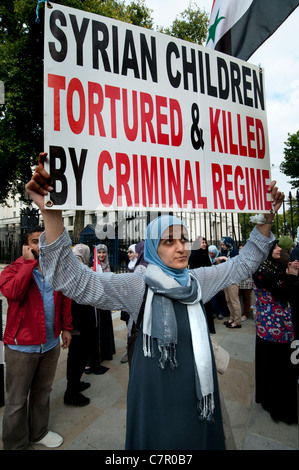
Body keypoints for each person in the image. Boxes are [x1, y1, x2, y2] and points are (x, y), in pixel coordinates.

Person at [25, 154, 283, 450]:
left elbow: (244, 263)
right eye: (168, 241)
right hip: (155, 399)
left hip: (198, 394)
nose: (181, 247)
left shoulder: (199, 280)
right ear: (151, 247)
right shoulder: (138, 285)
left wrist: (266, 218)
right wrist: (51, 212)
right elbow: (76, 281)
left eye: (183, 239)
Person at [0, 226, 72, 450]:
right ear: (26, 246)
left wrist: (66, 328)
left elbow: (65, 299)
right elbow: (13, 293)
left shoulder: (55, 269)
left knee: (42, 392)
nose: (40, 246)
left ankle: (38, 432)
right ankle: (14, 444)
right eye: (34, 241)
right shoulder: (12, 270)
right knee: (17, 400)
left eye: (44, 241)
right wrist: (28, 264)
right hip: (22, 346)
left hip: (49, 344)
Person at [252, 241, 298, 424]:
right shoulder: (263, 269)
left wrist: (288, 272)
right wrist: (292, 277)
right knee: (277, 365)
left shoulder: (272, 266)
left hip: (276, 324)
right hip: (273, 326)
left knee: (272, 363)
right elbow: (284, 292)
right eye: (275, 246)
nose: (280, 249)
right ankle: (276, 405)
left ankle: (269, 398)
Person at [64, 244, 97, 407]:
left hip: (84, 318)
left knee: (81, 354)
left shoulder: (83, 269)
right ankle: (71, 393)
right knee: (76, 356)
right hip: (77, 320)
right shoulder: (74, 270)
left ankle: (76, 384)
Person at [86, 244, 115, 373]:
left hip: (106, 302)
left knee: (105, 327)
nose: (101, 255)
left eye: (103, 253)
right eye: (99, 253)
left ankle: (106, 352)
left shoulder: (109, 267)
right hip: (96, 304)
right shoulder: (92, 268)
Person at [189, 237, 215, 333]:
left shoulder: (206, 256)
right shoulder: (194, 256)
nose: (204, 244)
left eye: (205, 242)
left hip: (206, 284)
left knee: (207, 306)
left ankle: (209, 327)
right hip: (198, 284)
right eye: (202, 242)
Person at [220, 237, 242, 329]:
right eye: (221, 244)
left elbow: (236, 265)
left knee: (234, 300)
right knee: (228, 300)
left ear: (228, 244)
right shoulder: (224, 252)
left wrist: (226, 259)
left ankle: (237, 321)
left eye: (223, 244)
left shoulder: (234, 252)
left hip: (233, 279)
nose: (222, 246)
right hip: (226, 279)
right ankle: (232, 318)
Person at [238, 244, 253, 322]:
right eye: (239, 248)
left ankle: (245, 314)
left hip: (248, 280)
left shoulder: (250, 258)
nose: (241, 250)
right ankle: (238, 313)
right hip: (239, 280)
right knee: (237, 297)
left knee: (246, 297)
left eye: (242, 248)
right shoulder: (237, 258)